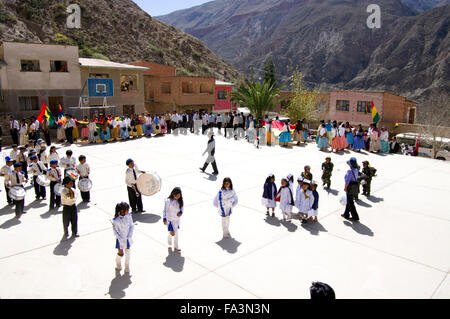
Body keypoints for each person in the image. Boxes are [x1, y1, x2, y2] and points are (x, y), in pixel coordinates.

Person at [112, 202, 134, 273]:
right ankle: (118, 261)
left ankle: (127, 266)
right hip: (120, 239)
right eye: (127, 210)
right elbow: (115, 231)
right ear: (122, 211)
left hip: (127, 237)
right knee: (121, 253)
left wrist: (129, 235)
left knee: (128, 252)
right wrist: (120, 238)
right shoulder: (116, 220)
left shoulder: (129, 216)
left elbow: (131, 225)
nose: (128, 211)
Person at [163, 187, 184, 252]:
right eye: (176, 195)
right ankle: (169, 239)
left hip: (176, 220)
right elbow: (165, 210)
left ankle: (176, 246)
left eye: (178, 195)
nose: (177, 197)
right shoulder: (168, 201)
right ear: (173, 194)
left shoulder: (180, 201)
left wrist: (181, 212)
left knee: (176, 233)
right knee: (172, 233)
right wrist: (164, 218)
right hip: (170, 220)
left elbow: (182, 208)